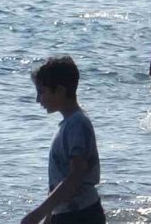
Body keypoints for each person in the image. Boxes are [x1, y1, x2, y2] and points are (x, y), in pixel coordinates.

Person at [23, 57, 104, 224]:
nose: (38, 99)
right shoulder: (67, 124)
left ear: (59, 90)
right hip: (68, 213)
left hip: (81, 215)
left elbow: (75, 176)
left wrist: (38, 214)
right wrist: (49, 217)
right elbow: (60, 179)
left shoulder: (77, 124)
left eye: (41, 92)